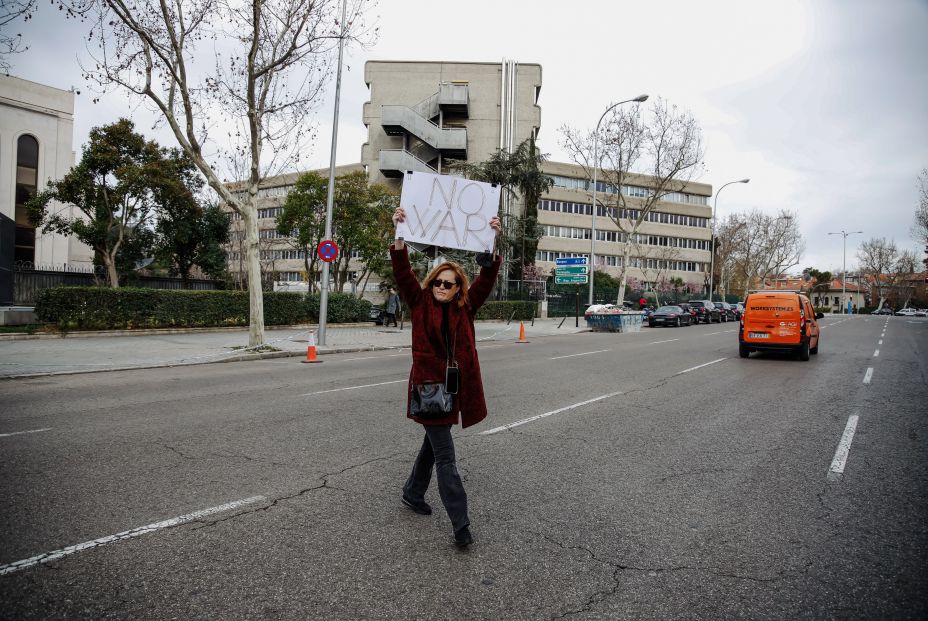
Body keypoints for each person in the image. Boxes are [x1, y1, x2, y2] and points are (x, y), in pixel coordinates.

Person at [390, 206, 502, 548]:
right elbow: (402, 269)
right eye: (438, 281)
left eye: (449, 283)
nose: (442, 286)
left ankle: (412, 491)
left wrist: (493, 239)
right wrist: (399, 232)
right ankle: (461, 526)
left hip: (452, 390)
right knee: (446, 458)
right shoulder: (418, 301)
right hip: (428, 390)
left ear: (458, 288)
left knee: (432, 446)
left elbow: (486, 278)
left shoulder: (465, 308)